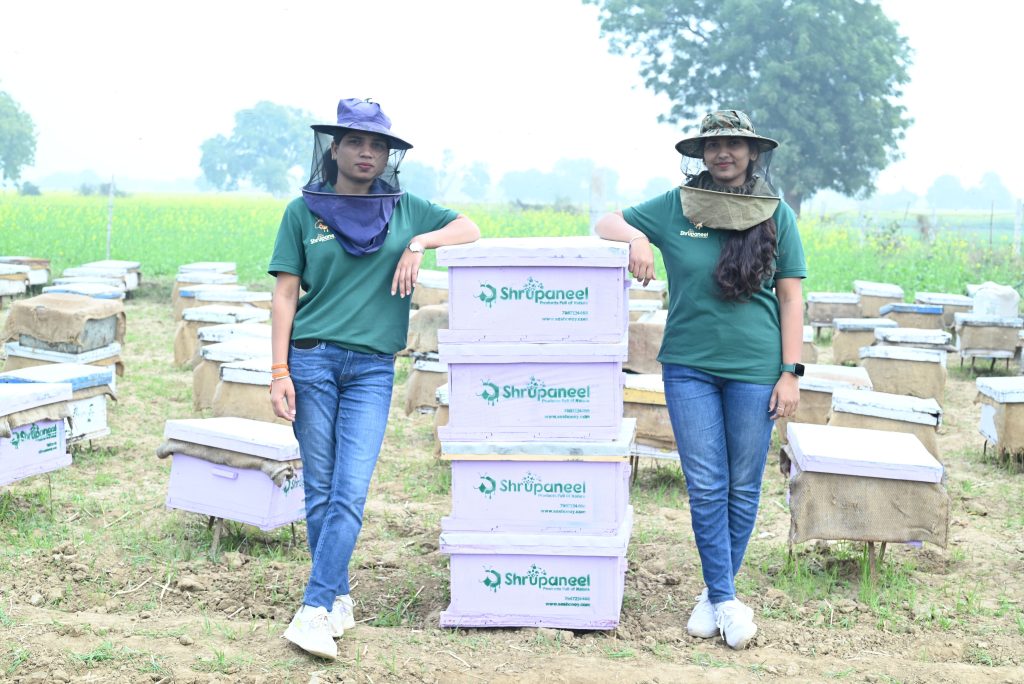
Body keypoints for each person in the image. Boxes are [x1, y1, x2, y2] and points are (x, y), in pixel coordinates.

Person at [268, 98, 480, 660]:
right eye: (356, 142)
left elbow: (470, 227)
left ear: (389, 156)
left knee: (351, 489)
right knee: (320, 489)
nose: (367, 153)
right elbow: (285, 294)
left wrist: (419, 242)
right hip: (311, 360)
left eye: (378, 145)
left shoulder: (406, 209)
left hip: (372, 368)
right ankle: (333, 598)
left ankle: (315, 606)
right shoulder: (302, 212)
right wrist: (278, 370)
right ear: (334, 148)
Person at [596, 110, 806, 650]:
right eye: (713, 146)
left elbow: (790, 297)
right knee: (708, 485)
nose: (723, 153)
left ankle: (716, 595)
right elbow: (606, 222)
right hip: (689, 365)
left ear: (752, 152)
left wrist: (791, 372)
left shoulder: (776, 214)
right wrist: (638, 239)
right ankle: (725, 597)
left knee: (744, 485)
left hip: (756, 370)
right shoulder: (677, 205)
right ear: (701, 154)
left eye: (734, 145)